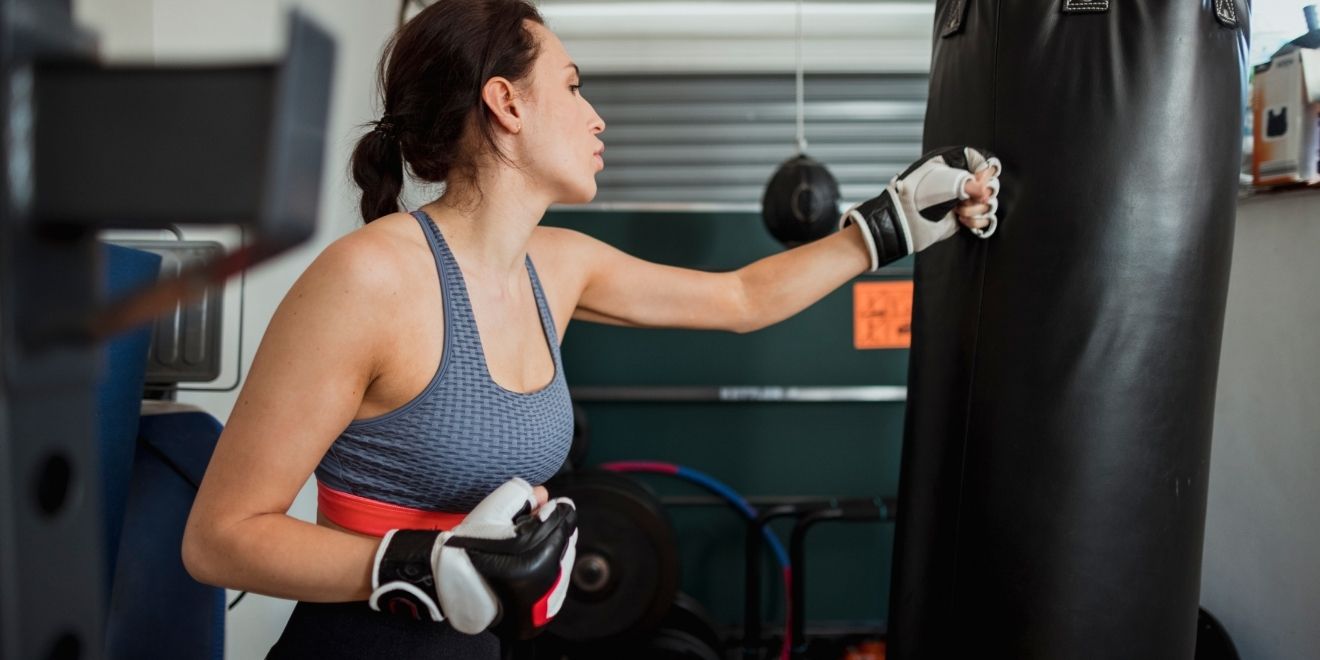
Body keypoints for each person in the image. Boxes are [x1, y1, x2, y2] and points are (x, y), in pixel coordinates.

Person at [180, 1, 999, 657]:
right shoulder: (368, 278)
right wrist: (420, 564)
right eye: (573, 88)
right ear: (506, 103)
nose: (597, 118)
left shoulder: (558, 264)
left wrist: (890, 224)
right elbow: (218, 540)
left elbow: (742, 299)